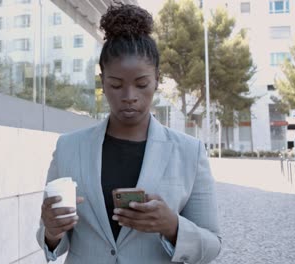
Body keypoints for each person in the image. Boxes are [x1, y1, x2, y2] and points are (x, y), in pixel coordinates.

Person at [36, 3, 221, 264]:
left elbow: (212, 244)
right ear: (103, 82)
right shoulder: (68, 147)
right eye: (116, 85)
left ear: (157, 79)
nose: (129, 97)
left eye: (142, 84)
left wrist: (173, 227)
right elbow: (51, 238)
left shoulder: (189, 151)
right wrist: (52, 231)